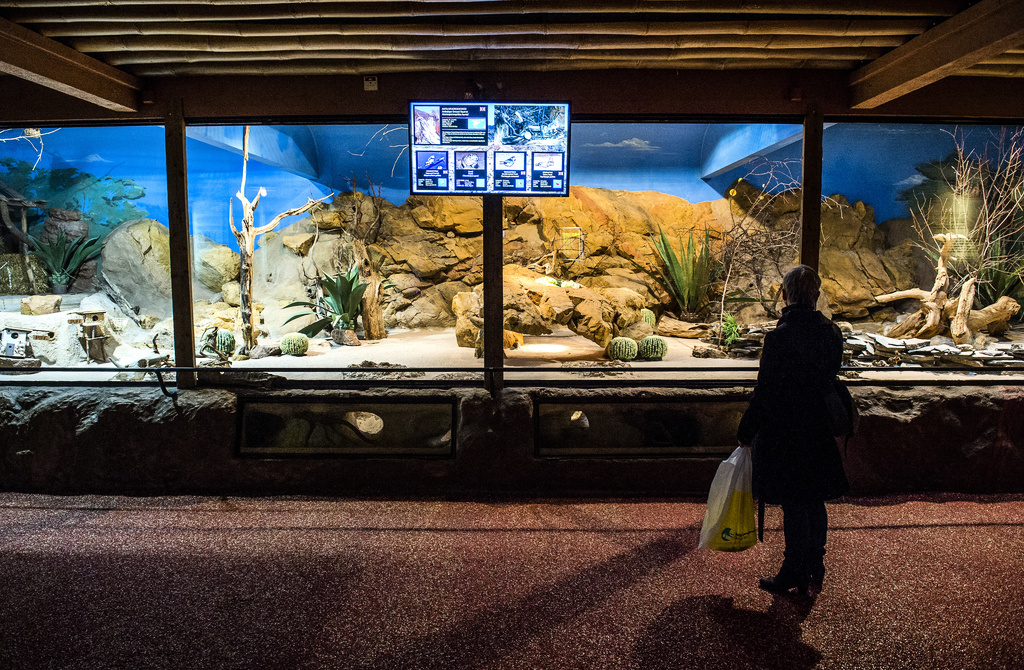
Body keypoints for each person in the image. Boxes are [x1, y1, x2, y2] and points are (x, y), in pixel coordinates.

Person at [737, 264, 849, 596]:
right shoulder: (831, 333)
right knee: (814, 501)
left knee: (794, 504)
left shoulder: (778, 338)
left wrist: (747, 429)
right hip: (818, 430)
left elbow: (767, 391)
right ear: (816, 295)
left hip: (786, 432)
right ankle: (815, 567)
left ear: (784, 296)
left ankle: (793, 570)